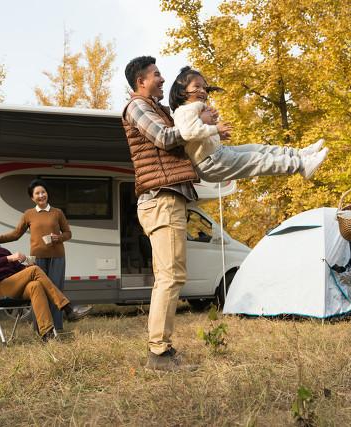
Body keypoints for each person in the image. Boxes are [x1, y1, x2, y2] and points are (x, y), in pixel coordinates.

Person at [122, 56, 216, 371]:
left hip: (169, 198)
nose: (163, 80)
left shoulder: (158, 109)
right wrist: (202, 126)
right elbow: (164, 139)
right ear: (141, 81)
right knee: (170, 277)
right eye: (157, 75)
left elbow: (181, 142)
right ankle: (159, 353)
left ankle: (161, 349)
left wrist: (204, 127)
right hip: (160, 200)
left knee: (172, 275)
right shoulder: (137, 106)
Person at [169, 66, 329, 182]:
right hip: (210, 163)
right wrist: (215, 128)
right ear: (182, 91)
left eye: (204, 87)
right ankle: (301, 165)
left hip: (217, 153)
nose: (203, 91)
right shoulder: (182, 111)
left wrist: (217, 134)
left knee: (260, 149)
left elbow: (198, 136)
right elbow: (188, 133)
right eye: (197, 87)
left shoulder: (195, 108)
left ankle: (300, 154)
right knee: (257, 160)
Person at [0, 217, 91, 341]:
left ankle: (47, 334)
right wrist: (8, 259)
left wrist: (27, 267)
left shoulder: (2, 251)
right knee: (34, 272)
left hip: (14, 286)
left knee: (35, 285)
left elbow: (18, 269)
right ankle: (67, 308)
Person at [0, 178, 86, 332]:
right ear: (32, 197)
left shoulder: (57, 212)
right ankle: (41, 328)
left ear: (47, 194)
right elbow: (15, 234)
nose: (41, 195)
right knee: (39, 291)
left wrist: (59, 237)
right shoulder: (28, 214)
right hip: (37, 259)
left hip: (57, 257)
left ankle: (58, 327)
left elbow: (68, 233)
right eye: (37, 193)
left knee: (56, 290)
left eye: (43, 192)